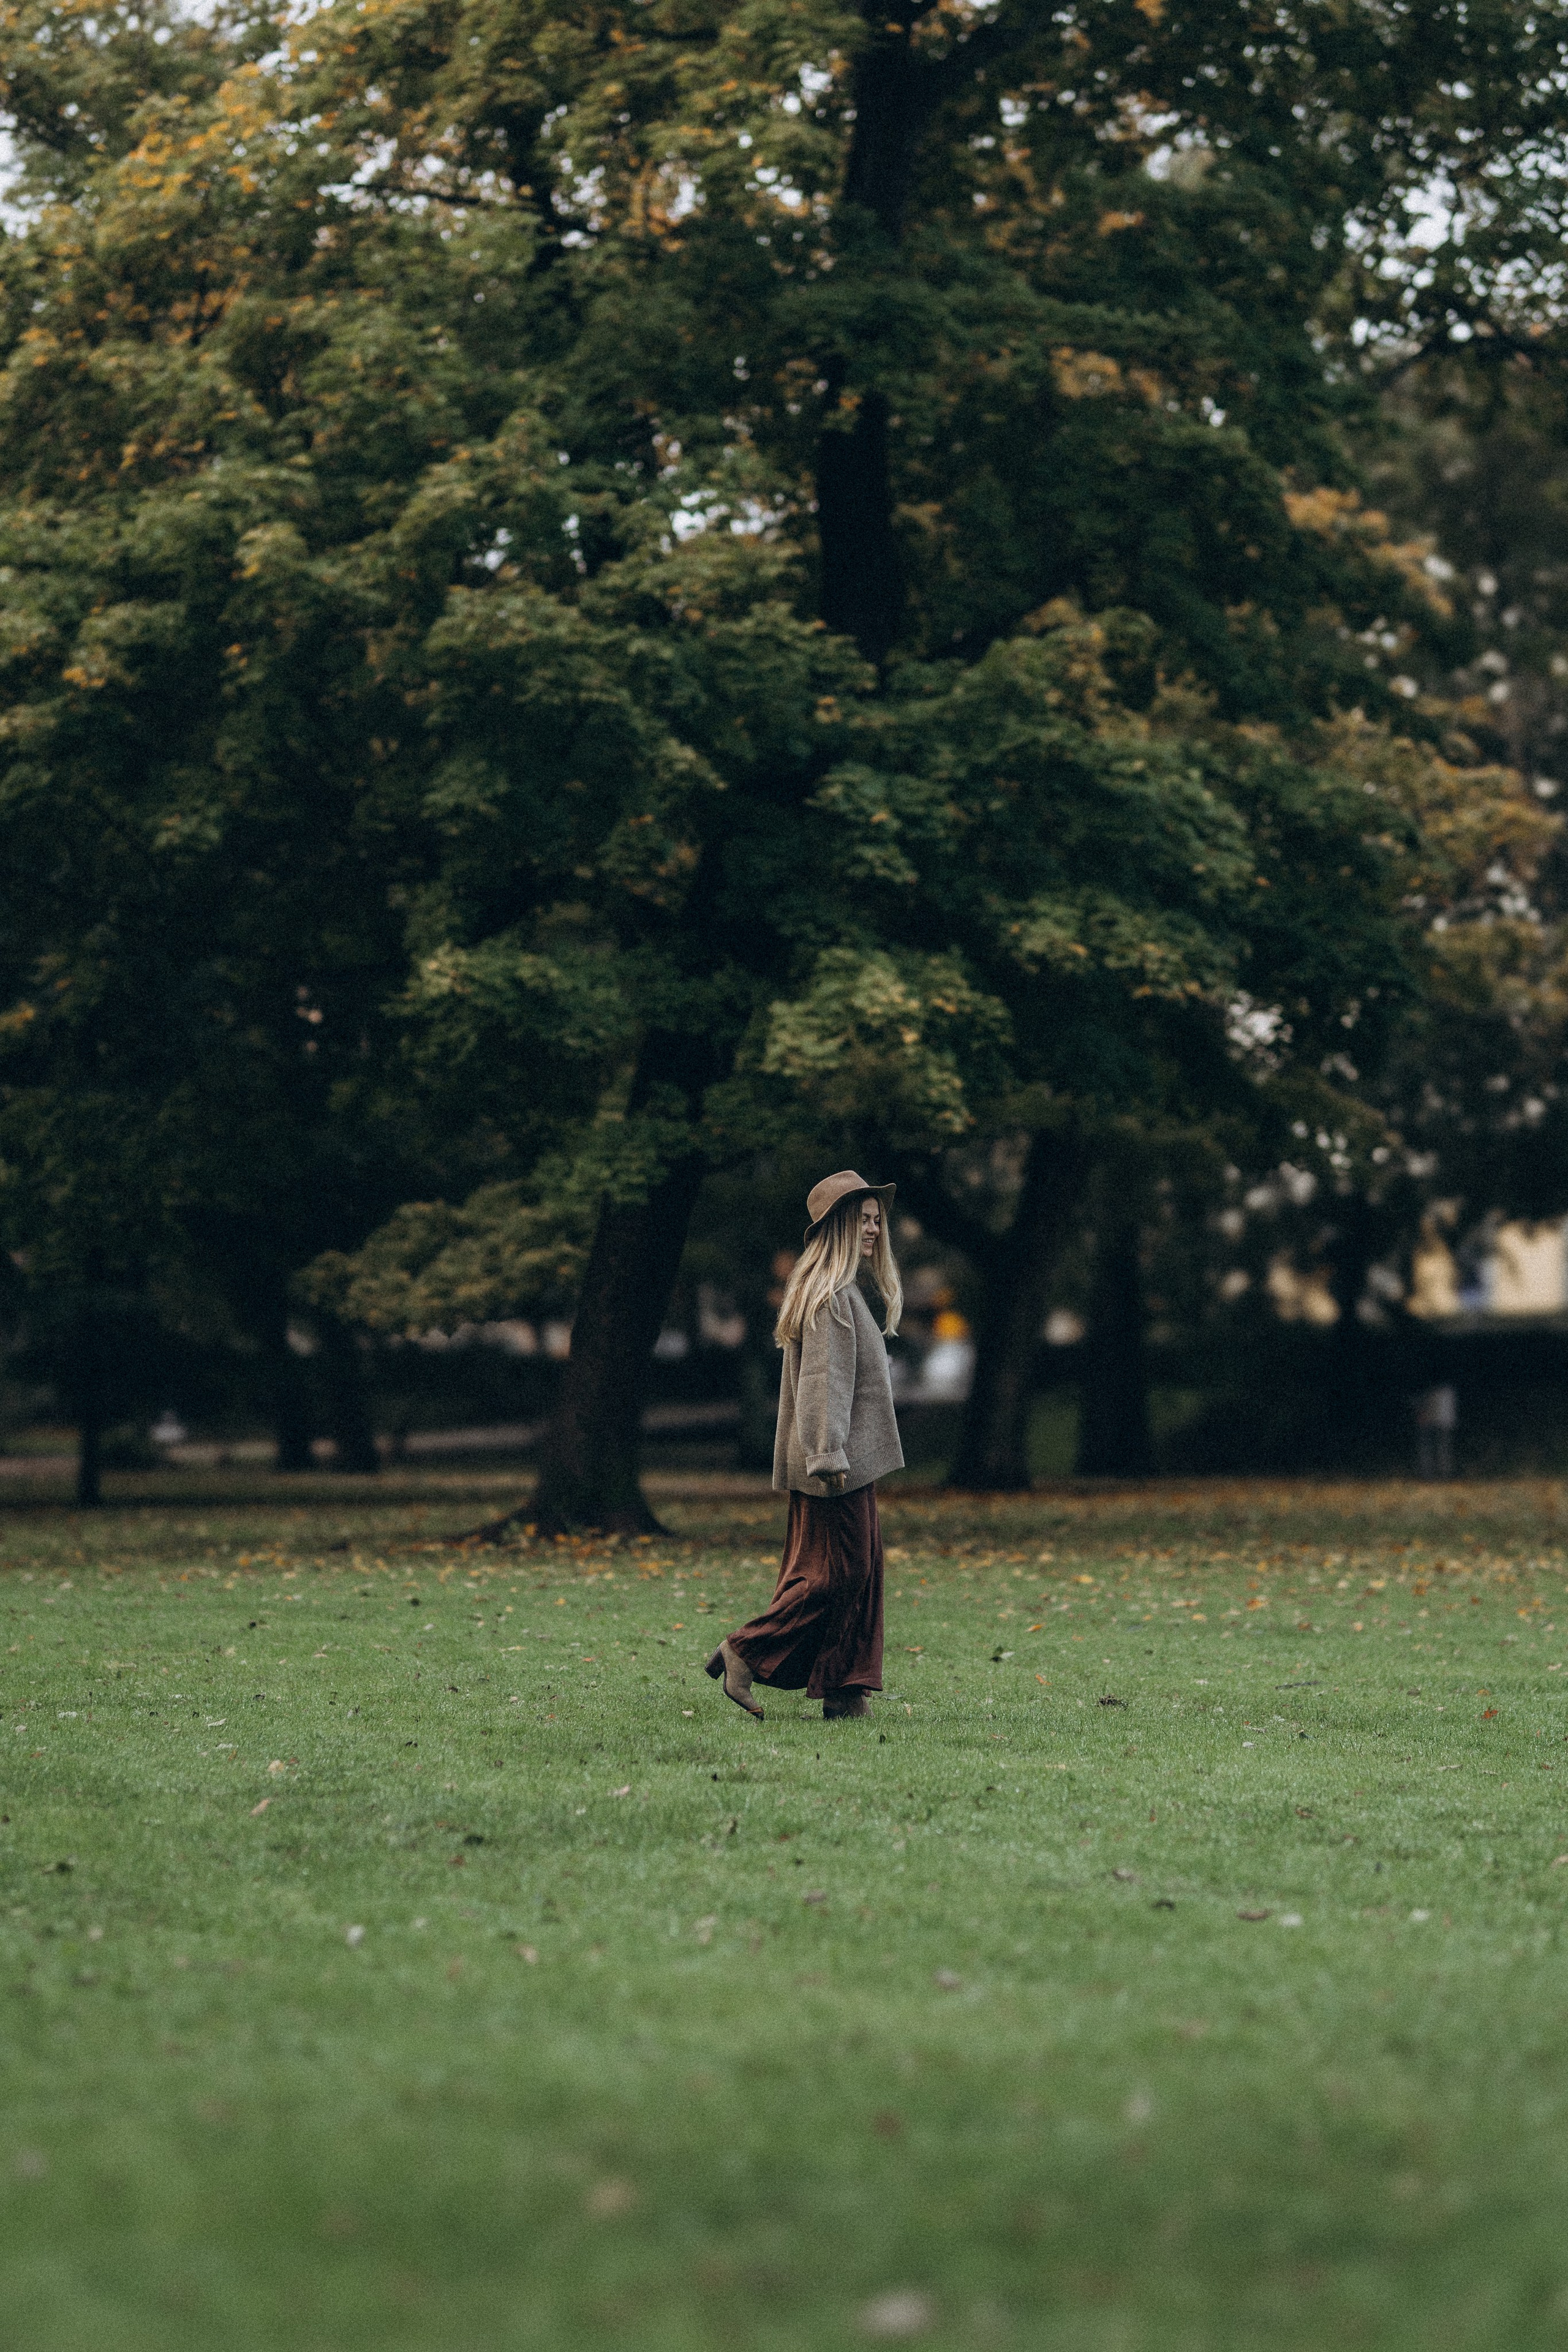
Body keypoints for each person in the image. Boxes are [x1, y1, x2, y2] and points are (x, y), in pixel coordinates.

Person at [706, 1170, 905, 1722]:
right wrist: (826, 1452)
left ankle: (844, 1689)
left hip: (848, 1461)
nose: (874, 1229)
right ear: (838, 1227)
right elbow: (823, 1383)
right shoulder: (830, 1298)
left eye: (876, 1219)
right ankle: (744, 1651)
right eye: (862, 1220)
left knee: (859, 1573)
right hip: (835, 1463)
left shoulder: (840, 1292)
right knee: (839, 1574)